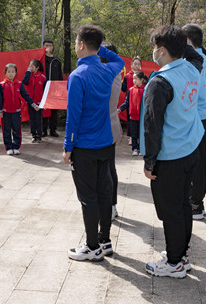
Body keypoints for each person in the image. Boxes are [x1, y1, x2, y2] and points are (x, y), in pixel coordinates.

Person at [141, 25, 203, 279]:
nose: (154, 52)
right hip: (190, 148)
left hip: (170, 156)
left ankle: (175, 262)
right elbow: (196, 56)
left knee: (171, 211)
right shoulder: (191, 68)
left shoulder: (160, 82)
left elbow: (152, 126)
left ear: (163, 50)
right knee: (182, 204)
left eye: (156, 47)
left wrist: (149, 161)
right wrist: (180, 42)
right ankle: (181, 254)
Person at [63, 25, 125, 262]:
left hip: (85, 146)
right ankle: (104, 240)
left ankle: (91, 247)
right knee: (104, 193)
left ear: (80, 45)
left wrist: (68, 147)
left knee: (88, 197)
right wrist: (101, 50)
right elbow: (119, 60)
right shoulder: (107, 70)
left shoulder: (78, 76)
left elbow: (73, 116)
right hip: (105, 143)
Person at [183, 23, 206, 221]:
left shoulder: (194, 61)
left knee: (198, 163)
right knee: (199, 161)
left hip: (197, 117)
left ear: (187, 40)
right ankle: (195, 200)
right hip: (201, 115)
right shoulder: (204, 57)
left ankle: (196, 204)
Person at [101, 41, 123, 221]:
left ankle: (110, 205)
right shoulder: (115, 74)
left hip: (103, 127)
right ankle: (110, 204)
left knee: (107, 169)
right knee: (109, 167)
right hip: (111, 126)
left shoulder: (106, 74)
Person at [0, 63, 39, 155]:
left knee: (17, 130)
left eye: (13, 71)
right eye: (9, 72)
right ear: (5, 73)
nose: (11, 73)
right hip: (6, 112)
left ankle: (16, 147)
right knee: (6, 131)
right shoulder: (2, 85)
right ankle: (9, 147)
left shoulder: (19, 84)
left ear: (16, 73)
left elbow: (26, 95)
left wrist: (33, 104)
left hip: (16, 112)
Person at [118, 71, 147, 156]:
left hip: (142, 117)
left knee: (141, 134)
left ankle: (141, 148)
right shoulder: (131, 90)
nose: (134, 80)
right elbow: (126, 102)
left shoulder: (146, 90)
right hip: (133, 117)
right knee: (134, 134)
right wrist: (120, 109)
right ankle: (135, 148)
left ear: (141, 79)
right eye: (133, 79)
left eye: (136, 79)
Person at [42, 39, 63, 137]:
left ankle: (53, 129)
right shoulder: (41, 59)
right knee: (44, 108)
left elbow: (60, 75)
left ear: (53, 47)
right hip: (43, 87)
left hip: (55, 88)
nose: (48, 47)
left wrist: (60, 87)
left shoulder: (56, 60)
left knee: (54, 110)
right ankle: (43, 130)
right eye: (46, 45)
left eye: (50, 45)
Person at [22, 59, 46, 143]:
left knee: (38, 119)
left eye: (32, 66)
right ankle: (33, 135)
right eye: (30, 66)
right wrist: (28, 72)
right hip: (31, 102)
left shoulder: (42, 77)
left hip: (39, 103)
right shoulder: (29, 75)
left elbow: (45, 91)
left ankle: (39, 135)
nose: (30, 68)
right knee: (32, 119)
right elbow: (24, 82)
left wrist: (43, 103)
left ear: (37, 67)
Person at [122, 56, 142, 143]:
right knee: (130, 120)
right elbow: (123, 89)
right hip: (130, 102)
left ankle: (138, 136)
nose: (137, 66)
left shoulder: (142, 76)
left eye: (138, 64)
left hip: (140, 102)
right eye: (135, 64)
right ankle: (131, 137)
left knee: (139, 119)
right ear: (131, 65)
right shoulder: (127, 76)